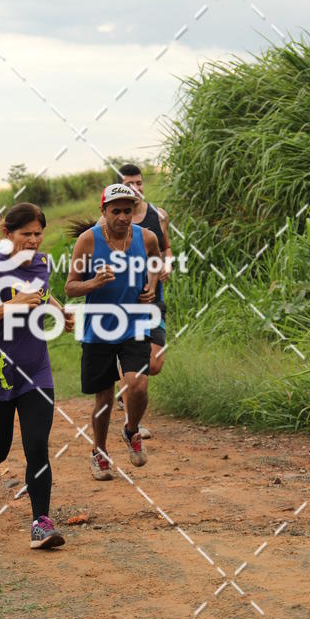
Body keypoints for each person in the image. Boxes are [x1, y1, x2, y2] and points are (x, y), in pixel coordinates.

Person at [0, 202, 73, 549]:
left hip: (36, 370)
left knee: (37, 446)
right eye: (26, 234)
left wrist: (59, 311)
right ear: (8, 235)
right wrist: (11, 306)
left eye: (39, 233)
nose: (34, 240)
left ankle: (41, 522)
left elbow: (40, 292)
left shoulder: (42, 263)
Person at [65, 184, 161, 481]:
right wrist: (93, 283)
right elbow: (70, 286)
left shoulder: (146, 237)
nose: (122, 217)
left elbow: (156, 261)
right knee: (104, 399)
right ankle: (99, 451)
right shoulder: (88, 241)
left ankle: (131, 430)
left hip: (134, 321)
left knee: (139, 386)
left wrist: (152, 286)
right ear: (103, 211)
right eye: (115, 211)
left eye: (127, 211)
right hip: (98, 328)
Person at [117, 163, 173, 438]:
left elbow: (166, 248)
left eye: (138, 183)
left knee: (155, 364)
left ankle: (125, 388)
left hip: (153, 299)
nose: (135, 188)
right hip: (122, 302)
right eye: (129, 184)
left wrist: (168, 265)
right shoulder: (113, 219)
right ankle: (131, 422)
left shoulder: (158, 215)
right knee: (134, 364)